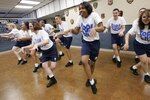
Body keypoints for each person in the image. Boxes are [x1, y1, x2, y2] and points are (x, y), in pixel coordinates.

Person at [54, 1, 105, 94]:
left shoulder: (93, 15)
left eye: (82, 8)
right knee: (85, 61)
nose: (80, 10)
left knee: (92, 63)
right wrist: (71, 30)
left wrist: (95, 28)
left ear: (87, 8)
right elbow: (76, 31)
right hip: (86, 42)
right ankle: (92, 82)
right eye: (79, 8)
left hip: (95, 43)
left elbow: (102, 28)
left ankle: (89, 78)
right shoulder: (79, 18)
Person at [21, 21, 58, 87]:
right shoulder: (34, 35)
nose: (29, 28)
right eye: (29, 27)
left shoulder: (42, 32)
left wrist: (37, 44)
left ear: (35, 26)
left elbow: (46, 41)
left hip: (51, 49)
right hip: (44, 51)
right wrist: (24, 47)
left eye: (30, 26)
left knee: (53, 66)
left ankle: (49, 73)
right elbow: (32, 44)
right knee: (44, 65)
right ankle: (52, 79)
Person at [123, 9, 150, 83]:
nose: (146, 19)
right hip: (139, 45)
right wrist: (126, 43)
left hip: (148, 45)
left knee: (147, 61)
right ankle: (147, 74)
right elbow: (127, 34)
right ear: (141, 17)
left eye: (149, 17)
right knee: (144, 61)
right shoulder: (137, 25)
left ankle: (134, 67)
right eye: (144, 17)